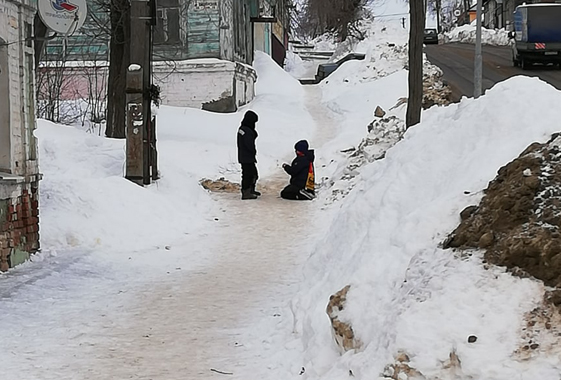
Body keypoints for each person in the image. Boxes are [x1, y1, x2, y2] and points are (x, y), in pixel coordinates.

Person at [237, 110, 260, 200]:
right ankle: (246, 192)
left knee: (253, 174)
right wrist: (253, 151)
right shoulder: (246, 130)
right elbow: (248, 143)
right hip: (246, 156)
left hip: (245, 156)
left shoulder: (243, 129)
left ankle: (250, 190)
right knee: (248, 174)